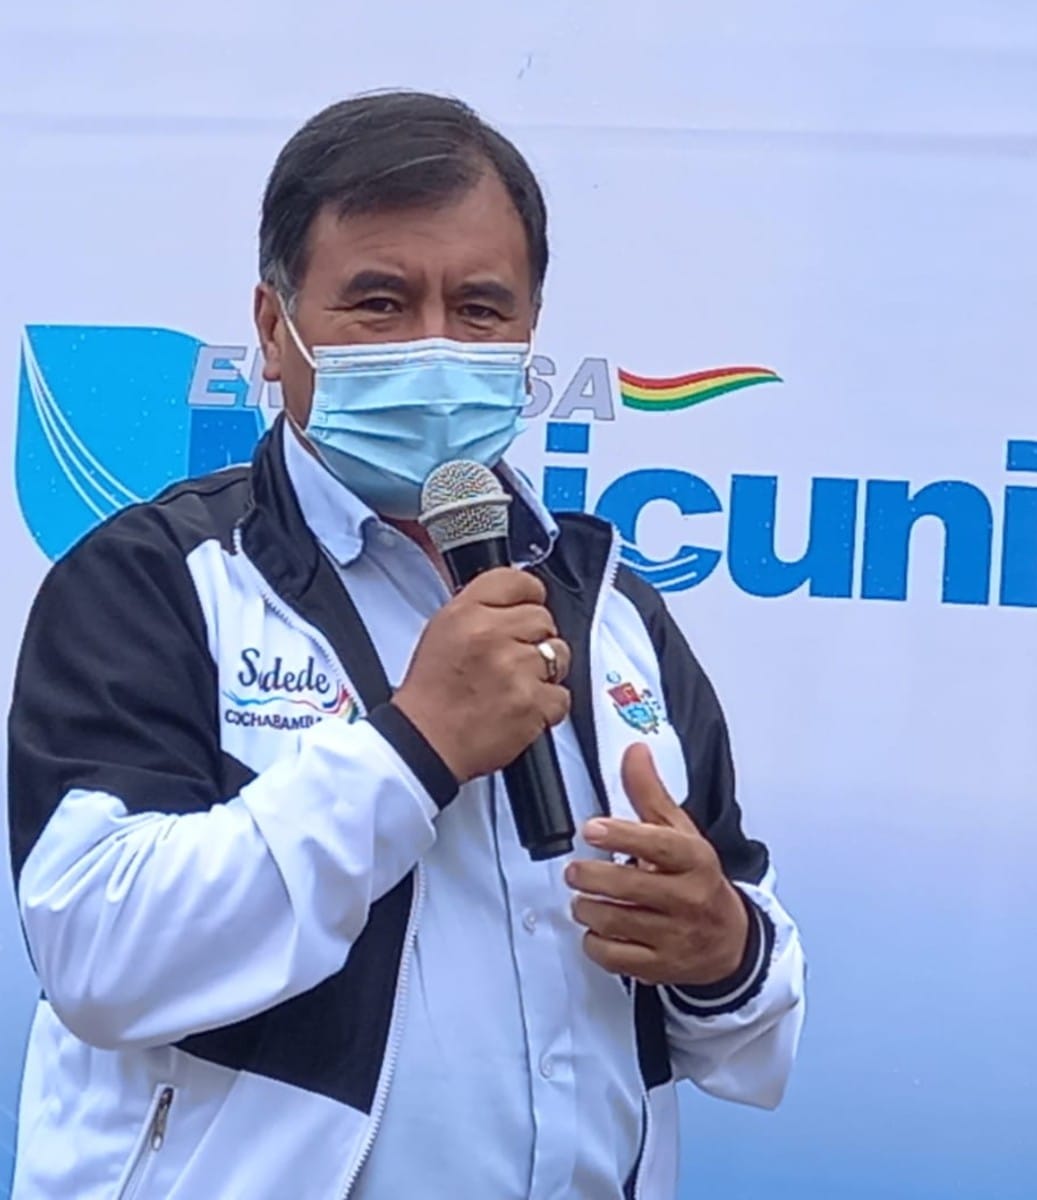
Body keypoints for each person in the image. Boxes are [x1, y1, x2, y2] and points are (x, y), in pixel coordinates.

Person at [7, 90, 804, 1199]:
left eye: (479, 309)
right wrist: (412, 747)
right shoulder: (155, 582)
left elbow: (751, 1026)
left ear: (529, 334)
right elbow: (99, 957)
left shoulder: (609, 604)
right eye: (380, 303)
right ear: (273, 329)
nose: (434, 348)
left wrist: (723, 950)